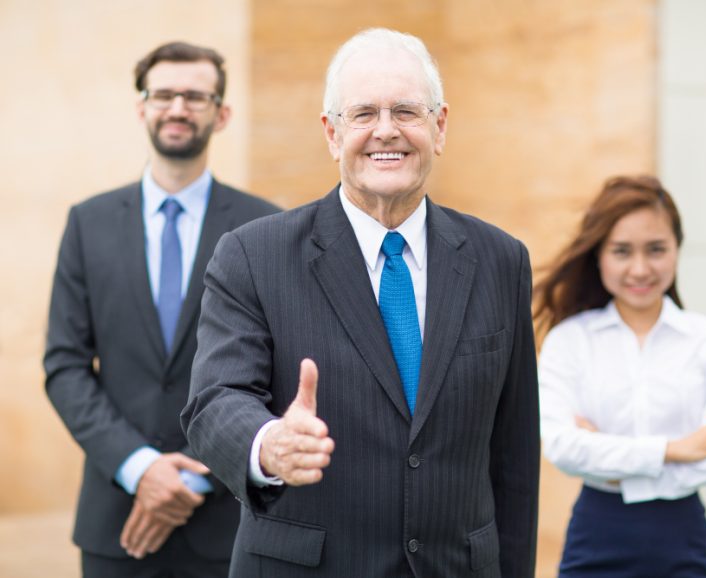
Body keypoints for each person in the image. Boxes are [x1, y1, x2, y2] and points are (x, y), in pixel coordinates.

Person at [181, 28, 540, 577]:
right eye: (364, 114)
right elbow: (215, 400)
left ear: (439, 127)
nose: (386, 131)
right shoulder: (253, 255)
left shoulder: (501, 260)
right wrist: (270, 443)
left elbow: (514, 459)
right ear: (332, 133)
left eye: (406, 111)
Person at [43, 41, 280, 577]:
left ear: (221, 114)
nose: (178, 108)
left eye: (195, 96)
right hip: (117, 522)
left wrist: (196, 477)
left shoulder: (264, 228)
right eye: (164, 94)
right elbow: (64, 367)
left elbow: (276, 372)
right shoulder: (89, 223)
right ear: (142, 107)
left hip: (229, 522)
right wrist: (140, 468)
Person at [535, 175, 706, 577]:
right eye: (621, 251)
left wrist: (607, 454)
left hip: (683, 534)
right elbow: (563, 447)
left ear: (677, 251)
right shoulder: (570, 341)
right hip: (597, 533)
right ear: (598, 255)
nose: (640, 268)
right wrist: (673, 449)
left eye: (656, 250)